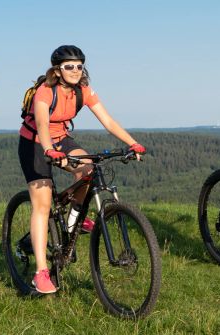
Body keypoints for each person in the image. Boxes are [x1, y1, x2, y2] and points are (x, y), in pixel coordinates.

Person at [18, 45, 146, 294]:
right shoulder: (45, 92)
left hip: (61, 139)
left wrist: (132, 143)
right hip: (34, 143)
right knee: (42, 205)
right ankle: (41, 272)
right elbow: (43, 124)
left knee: (88, 169)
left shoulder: (84, 90)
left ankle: (72, 220)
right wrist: (49, 151)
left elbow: (107, 120)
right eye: (69, 66)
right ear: (58, 69)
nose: (75, 70)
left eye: (79, 65)